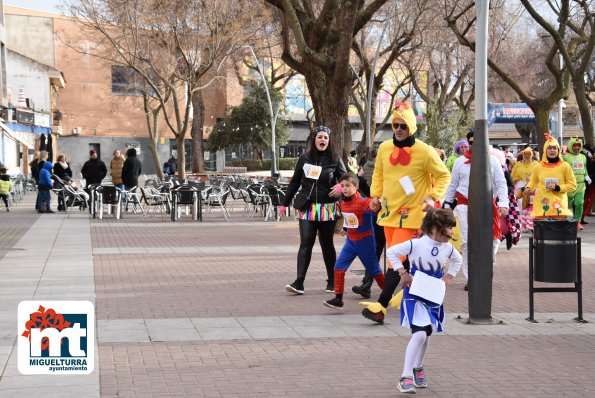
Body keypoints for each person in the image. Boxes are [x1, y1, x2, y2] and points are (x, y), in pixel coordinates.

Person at [360, 101, 451, 324]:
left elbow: (444, 176)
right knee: (401, 258)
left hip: (412, 215)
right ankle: (411, 292)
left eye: (403, 126)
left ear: (411, 127)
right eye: (396, 125)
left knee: (395, 259)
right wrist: (375, 198)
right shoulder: (384, 148)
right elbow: (379, 175)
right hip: (388, 213)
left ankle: (380, 306)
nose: (399, 129)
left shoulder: (425, 151)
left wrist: (432, 197)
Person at [389, 208, 462, 394]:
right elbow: (392, 252)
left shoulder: (448, 248)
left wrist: (448, 278)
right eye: (449, 228)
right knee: (420, 334)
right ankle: (405, 377)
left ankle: (418, 368)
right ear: (437, 227)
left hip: (433, 295)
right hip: (415, 293)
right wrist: (403, 273)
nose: (452, 232)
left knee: (427, 333)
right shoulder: (416, 244)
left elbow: (457, 260)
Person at [278, 125, 346, 294]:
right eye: (320, 137)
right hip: (307, 208)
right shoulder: (304, 159)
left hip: (327, 208)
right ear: (314, 139)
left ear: (329, 141)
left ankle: (332, 281)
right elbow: (295, 182)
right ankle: (298, 282)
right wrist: (284, 203)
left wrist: (340, 186)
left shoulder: (335, 159)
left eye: (326, 138)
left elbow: (348, 178)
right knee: (306, 243)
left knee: (327, 244)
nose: (323, 140)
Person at [443, 130, 508, 290]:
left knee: (491, 242)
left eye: (478, 142)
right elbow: (453, 184)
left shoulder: (492, 161)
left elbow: (501, 183)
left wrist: (503, 203)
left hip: (487, 206)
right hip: (465, 205)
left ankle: (484, 272)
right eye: (471, 142)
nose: (474, 145)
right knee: (467, 242)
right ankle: (471, 277)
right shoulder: (459, 162)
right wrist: (446, 205)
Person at [323, 172, 384, 310]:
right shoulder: (343, 203)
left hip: (365, 243)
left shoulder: (364, 202)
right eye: (342, 186)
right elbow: (349, 217)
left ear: (356, 187)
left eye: (348, 186)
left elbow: (374, 207)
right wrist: (345, 228)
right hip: (350, 242)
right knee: (338, 268)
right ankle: (338, 299)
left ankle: (387, 294)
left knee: (375, 271)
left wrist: (377, 204)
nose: (344, 189)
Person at [352, 149, 387, 299]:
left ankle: (394, 285)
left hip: (397, 215)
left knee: (396, 252)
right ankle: (367, 283)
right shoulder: (375, 171)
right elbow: (372, 194)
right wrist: (361, 182)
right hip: (380, 214)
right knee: (375, 250)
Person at [524, 133, 576, 219]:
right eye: (549, 148)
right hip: (542, 205)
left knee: (556, 232)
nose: (552, 150)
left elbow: (573, 185)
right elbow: (533, 180)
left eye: (554, 148)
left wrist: (558, 187)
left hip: (558, 207)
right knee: (542, 231)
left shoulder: (565, 166)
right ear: (545, 150)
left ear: (558, 150)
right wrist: (528, 188)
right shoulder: (539, 166)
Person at [563, 137, 589, 230]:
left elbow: (584, 168)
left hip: (581, 185)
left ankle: (577, 221)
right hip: (569, 185)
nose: (577, 147)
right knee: (566, 204)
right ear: (571, 146)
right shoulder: (565, 157)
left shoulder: (583, 157)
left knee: (579, 203)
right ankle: (563, 219)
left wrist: (587, 175)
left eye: (578, 145)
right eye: (574, 145)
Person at [511, 146, 538, 232]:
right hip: (520, 186)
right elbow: (513, 176)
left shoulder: (536, 164)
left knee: (531, 205)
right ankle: (521, 224)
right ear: (522, 154)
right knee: (520, 205)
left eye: (529, 154)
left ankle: (530, 223)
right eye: (525, 154)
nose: (527, 155)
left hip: (533, 186)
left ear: (532, 154)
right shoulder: (518, 164)